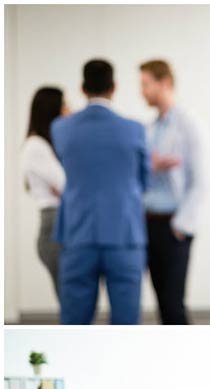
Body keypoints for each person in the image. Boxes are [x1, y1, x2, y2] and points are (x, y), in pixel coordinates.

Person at [51, 59, 149, 325]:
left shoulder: (61, 128)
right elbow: (143, 181)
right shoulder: (135, 129)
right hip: (124, 235)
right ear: (114, 87)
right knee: (126, 323)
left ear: (82, 88)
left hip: (77, 234)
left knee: (74, 323)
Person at [139, 58, 204, 324]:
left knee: (173, 304)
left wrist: (181, 224)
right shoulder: (150, 128)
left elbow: (201, 179)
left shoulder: (188, 124)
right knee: (162, 305)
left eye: (145, 84)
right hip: (148, 223)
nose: (141, 91)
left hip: (174, 226)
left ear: (164, 83)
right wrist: (151, 165)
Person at [22, 86, 67, 297]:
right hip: (53, 227)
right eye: (65, 104)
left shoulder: (48, 145)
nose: (70, 109)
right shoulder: (36, 146)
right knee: (71, 302)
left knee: (73, 301)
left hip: (61, 223)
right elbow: (67, 185)